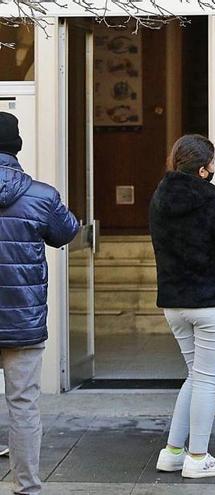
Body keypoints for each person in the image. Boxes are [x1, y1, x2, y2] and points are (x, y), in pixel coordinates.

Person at [150, 135, 215, 479]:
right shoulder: (213, 205)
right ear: (203, 169)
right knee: (207, 381)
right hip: (211, 303)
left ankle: (173, 451)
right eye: (212, 163)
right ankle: (198, 457)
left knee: (194, 376)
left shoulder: (159, 200)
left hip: (174, 302)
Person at [0, 112, 79, 494]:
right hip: (22, 320)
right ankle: (27, 487)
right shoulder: (41, 195)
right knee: (23, 406)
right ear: (17, 147)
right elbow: (66, 232)